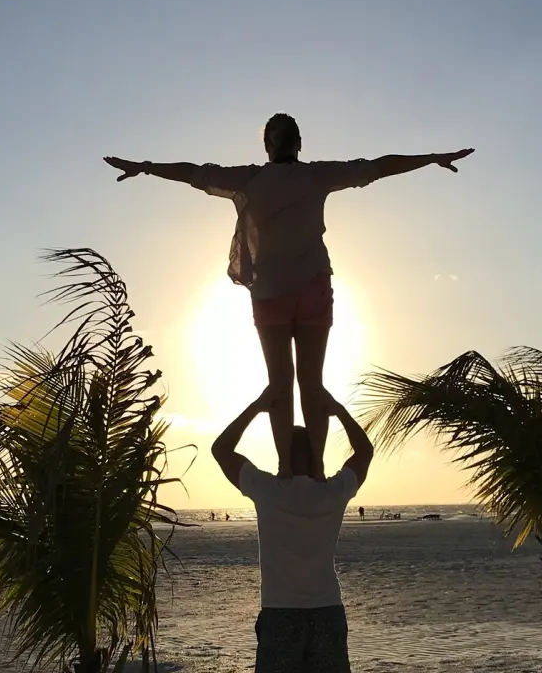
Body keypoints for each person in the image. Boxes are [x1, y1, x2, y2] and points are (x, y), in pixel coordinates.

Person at [105, 114, 471, 478]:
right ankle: (304, 467)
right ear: (294, 144)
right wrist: (147, 167)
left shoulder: (262, 178)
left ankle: (300, 467)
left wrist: (430, 159)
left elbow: (376, 167)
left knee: (292, 384)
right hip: (296, 291)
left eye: (280, 137)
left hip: (283, 292)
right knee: (298, 384)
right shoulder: (305, 176)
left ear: (275, 145)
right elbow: (195, 173)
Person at [211, 388, 373, 673]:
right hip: (325, 613)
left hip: (281, 616)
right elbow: (365, 451)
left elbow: (221, 450)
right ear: (318, 452)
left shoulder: (269, 489)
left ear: (283, 452)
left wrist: (259, 407)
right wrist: (336, 411)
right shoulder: (333, 492)